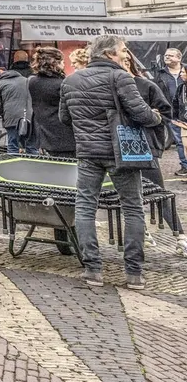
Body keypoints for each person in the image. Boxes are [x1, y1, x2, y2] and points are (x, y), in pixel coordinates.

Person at [59, 35, 163, 289]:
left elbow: (64, 118)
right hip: (122, 152)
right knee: (133, 208)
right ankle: (134, 272)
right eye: (123, 51)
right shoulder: (120, 77)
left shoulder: (70, 80)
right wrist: (157, 117)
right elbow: (140, 112)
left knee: (84, 207)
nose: (126, 55)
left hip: (87, 152)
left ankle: (93, 269)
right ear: (108, 54)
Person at [119, 48, 186, 255]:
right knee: (128, 196)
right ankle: (144, 233)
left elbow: (164, 113)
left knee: (158, 191)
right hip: (116, 149)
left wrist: (152, 123)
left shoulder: (145, 84)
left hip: (144, 148)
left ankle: (180, 235)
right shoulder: (110, 86)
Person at [29, 48, 74, 158]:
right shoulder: (62, 84)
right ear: (55, 63)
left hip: (43, 135)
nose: (64, 64)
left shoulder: (33, 82)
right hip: (65, 136)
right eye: (62, 62)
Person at [151, 47, 187, 177]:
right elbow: (156, 92)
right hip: (172, 113)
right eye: (166, 55)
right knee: (180, 141)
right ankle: (185, 166)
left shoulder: (185, 70)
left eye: (171, 55)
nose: (167, 57)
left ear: (179, 58)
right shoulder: (160, 74)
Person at [0, 50, 37, 154]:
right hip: (28, 116)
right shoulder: (28, 78)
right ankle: (35, 166)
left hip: (11, 117)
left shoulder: (0, 83)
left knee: (12, 145)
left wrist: (4, 114)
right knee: (31, 145)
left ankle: (13, 167)